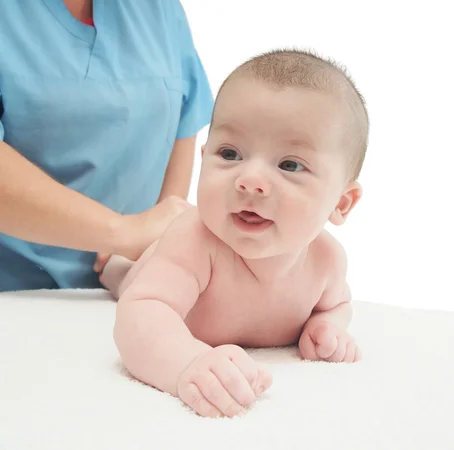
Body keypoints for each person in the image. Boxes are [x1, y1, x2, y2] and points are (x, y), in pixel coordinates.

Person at [103, 49, 370, 419]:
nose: (250, 181)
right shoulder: (195, 240)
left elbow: (339, 306)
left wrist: (327, 325)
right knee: (131, 279)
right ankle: (114, 265)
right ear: (204, 156)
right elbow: (141, 312)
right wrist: (186, 364)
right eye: (229, 154)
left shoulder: (327, 261)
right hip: (157, 265)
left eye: (290, 164)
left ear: (341, 202)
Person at [0, 0, 213, 291]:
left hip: (123, 290)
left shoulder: (159, 9)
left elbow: (183, 115)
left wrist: (159, 248)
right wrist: (125, 234)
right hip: (12, 297)